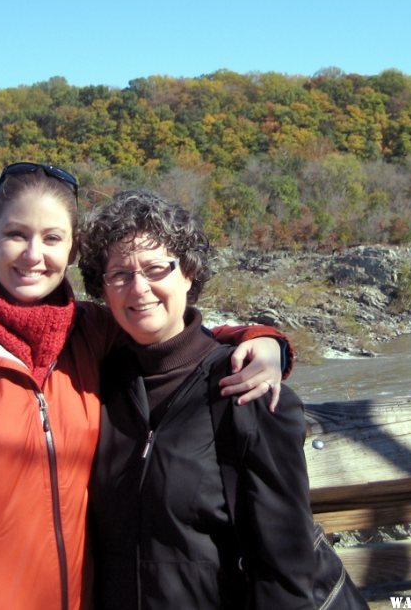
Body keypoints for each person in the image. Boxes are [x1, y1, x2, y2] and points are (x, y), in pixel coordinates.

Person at [0, 163, 294, 609]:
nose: (34, 255)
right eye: (17, 234)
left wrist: (264, 340)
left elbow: (173, 331)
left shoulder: (91, 333)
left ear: (72, 251)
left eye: (52, 238)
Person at [79, 189, 316, 609]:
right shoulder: (96, 383)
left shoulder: (245, 389)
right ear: (103, 287)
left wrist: (268, 342)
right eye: (119, 275)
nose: (139, 288)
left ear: (187, 273)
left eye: (156, 268)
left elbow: (286, 569)